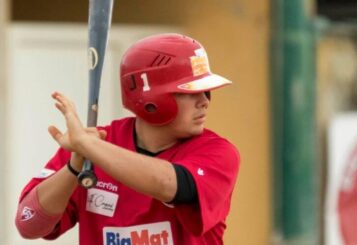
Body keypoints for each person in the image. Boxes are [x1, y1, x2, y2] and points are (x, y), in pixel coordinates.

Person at [15, 33, 240, 245]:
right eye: (190, 92)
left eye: (205, 91)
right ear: (152, 97)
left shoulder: (218, 152)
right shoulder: (92, 144)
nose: (205, 101)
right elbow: (29, 225)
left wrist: (90, 146)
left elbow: (167, 184)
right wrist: (74, 167)